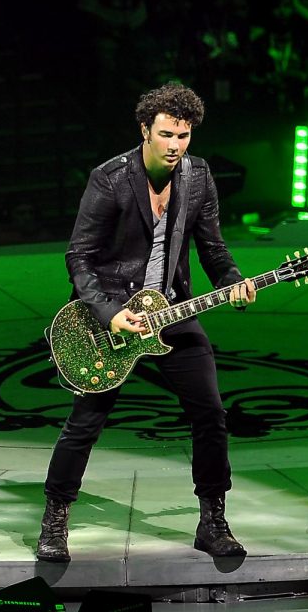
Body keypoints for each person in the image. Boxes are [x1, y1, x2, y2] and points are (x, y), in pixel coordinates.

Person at [37, 83, 255, 562]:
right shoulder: (110, 179)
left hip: (171, 311)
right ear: (145, 131)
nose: (176, 145)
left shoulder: (198, 177)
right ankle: (55, 517)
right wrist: (111, 313)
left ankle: (212, 519)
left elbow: (214, 249)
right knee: (85, 423)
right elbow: (79, 257)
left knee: (212, 415)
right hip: (109, 318)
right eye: (166, 134)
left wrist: (234, 281)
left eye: (184, 135)